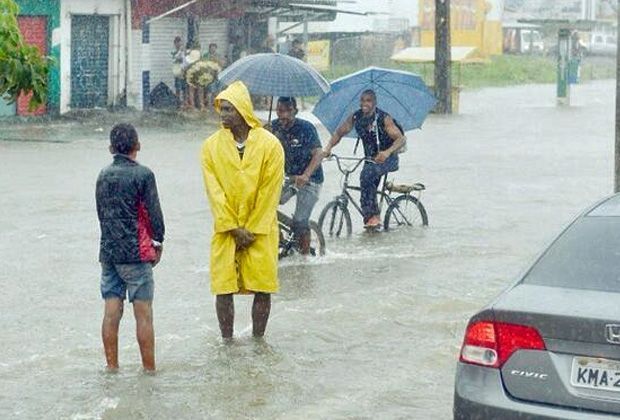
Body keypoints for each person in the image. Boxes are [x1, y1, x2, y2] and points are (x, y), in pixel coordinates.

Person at [200, 81, 284, 340]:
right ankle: (227, 341)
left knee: (262, 286)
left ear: (243, 110)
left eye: (229, 109)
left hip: (261, 229)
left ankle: (259, 340)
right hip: (226, 229)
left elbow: (270, 192)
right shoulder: (211, 147)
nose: (223, 114)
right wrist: (233, 228)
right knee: (223, 287)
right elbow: (214, 191)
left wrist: (252, 229)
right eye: (221, 109)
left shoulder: (270, 145)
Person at [95, 123, 165, 372]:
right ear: (138, 146)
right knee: (143, 313)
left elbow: (101, 214)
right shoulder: (144, 175)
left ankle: (112, 367)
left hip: (109, 252)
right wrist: (158, 243)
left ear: (111, 148)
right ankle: (149, 370)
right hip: (136, 253)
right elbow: (155, 215)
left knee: (111, 311)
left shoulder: (103, 175)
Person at [322, 89, 405, 228]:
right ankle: (371, 220)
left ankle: (373, 216)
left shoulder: (384, 118)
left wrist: (387, 152)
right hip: (370, 159)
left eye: (368, 100)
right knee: (367, 178)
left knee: (366, 176)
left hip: (388, 158)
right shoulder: (356, 117)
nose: (364, 103)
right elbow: (339, 132)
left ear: (374, 102)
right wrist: (328, 147)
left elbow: (401, 139)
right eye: (362, 100)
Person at [270, 97, 323, 254]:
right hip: (287, 178)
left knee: (300, 221)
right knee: (265, 207)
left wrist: (306, 175)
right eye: (280, 111)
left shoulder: (306, 128)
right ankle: (279, 241)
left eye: (288, 111)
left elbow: (318, 154)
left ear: (295, 111)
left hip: (310, 179)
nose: (284, 115)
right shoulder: (273, 128)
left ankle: (305, 258)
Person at [171, 36, 186, 104]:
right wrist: (180, 52)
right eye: (177, 43)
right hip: (177, 72)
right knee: (178, 88)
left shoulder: (183, 52)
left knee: (184, 88)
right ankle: (178, 103)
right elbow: (176, 59)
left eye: (180, 43)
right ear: (175, 44)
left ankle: (184, 102)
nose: (179, 44)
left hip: (183, 72)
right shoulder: (174, 51)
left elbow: (184, 60)